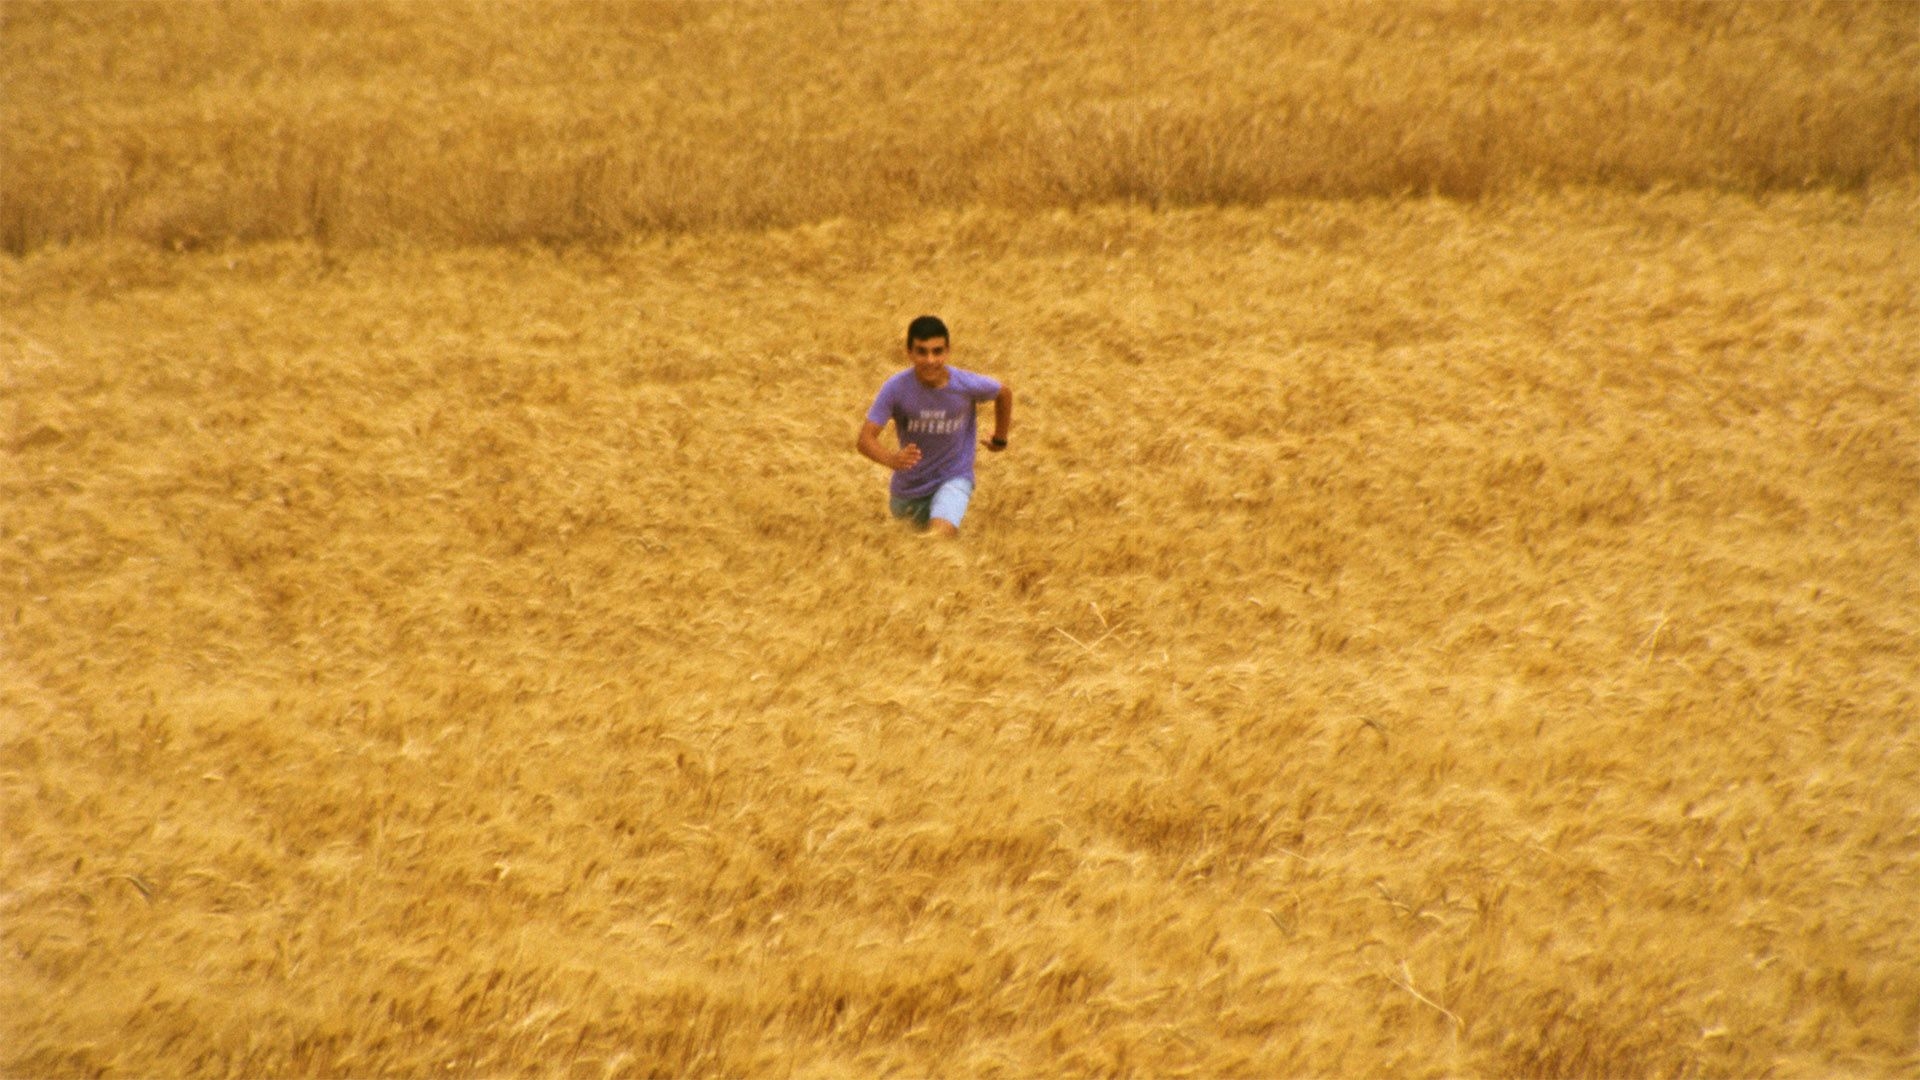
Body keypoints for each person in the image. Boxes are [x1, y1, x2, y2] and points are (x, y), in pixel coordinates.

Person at [857, 315, 1013, 537]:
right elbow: (865, 440)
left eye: (937, 351)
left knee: (940, 537)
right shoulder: (895, 388)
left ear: (947, 351)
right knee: (915, 554)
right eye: (922, 351)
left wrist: (1000, 438)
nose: (930, 360)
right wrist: (892, 459)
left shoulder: (965, 384)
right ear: (909, 352)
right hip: (908, 491)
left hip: (954, 476)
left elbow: (1003, 393)